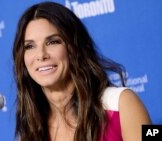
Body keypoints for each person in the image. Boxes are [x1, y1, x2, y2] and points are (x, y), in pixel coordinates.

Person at [12, 1, 151, 141]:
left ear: (75, 47)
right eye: (29, 46)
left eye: (53, 42)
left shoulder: (122, 102)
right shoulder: (30, 132)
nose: (41, 55)